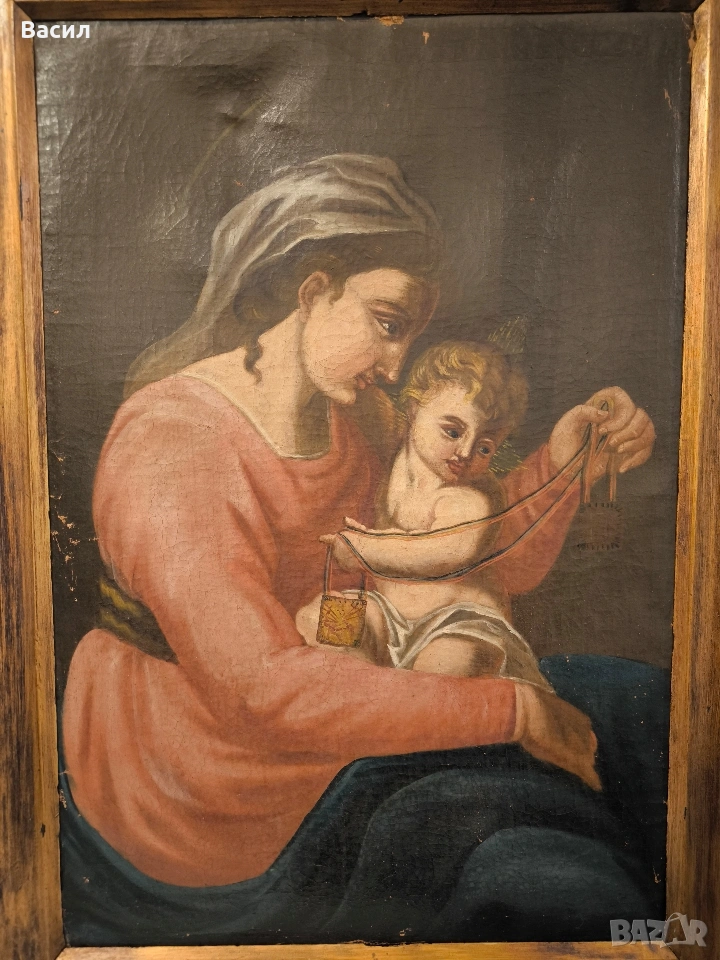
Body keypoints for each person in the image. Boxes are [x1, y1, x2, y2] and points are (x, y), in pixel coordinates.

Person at [59, 154, 658, 944]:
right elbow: (262, 691)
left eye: (409, 334)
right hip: (208, 786)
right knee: (529, 847)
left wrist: (565, 461)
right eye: (387, 323)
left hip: (358, 696)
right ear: (314, 291)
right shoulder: (175, 443)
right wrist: (511, 710)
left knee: (632, 705)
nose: (398, 364)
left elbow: (474, 560)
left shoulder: (356, 423)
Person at [297, 339, 554, 689]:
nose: (465, 452)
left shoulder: (470, 497)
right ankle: (367, 692)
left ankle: (399, 703)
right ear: (414, 410)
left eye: (484, 448)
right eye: (453, 431)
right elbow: (360, 403)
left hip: (458, 626)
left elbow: (443, 553)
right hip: (390, 618)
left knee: (442, 666)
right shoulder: (393, 461)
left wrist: (365, 550)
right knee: (321, 620)